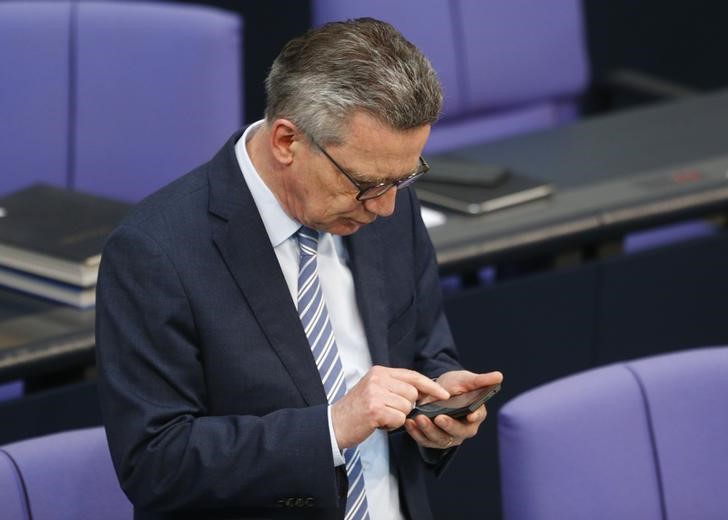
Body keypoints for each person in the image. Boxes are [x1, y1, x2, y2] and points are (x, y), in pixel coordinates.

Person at [96, 17, 502, 520]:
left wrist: (440, 403)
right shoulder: (156, 251)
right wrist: (333, 428)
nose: (387, 208)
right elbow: (156, 462)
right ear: (287, 141)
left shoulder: (385, 201)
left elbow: (425, 348)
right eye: (368, 183)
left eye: (407, 175)